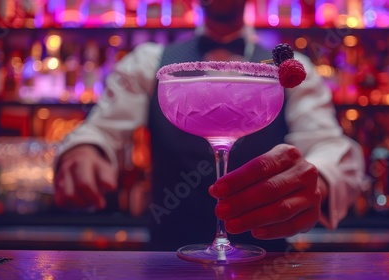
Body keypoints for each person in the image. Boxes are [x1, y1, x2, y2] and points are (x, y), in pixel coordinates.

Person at [53, 0, 367, 251]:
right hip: (167, 263)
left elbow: (330, 145)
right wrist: (85, 149)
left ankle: (225, 242)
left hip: (265, 265)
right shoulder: (149, 62)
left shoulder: (289, 70)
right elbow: (101, 129)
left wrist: (318, 181)